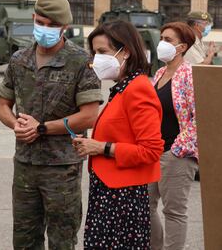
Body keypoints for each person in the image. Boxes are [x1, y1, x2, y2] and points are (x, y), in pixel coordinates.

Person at [0, 0, 103, 249]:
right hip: (25, 165)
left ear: (65, 27)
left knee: (61, 240)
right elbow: (2, 106)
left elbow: (89, 116)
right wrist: (16, 125)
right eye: (41, 22)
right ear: (33, 18)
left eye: (53, 25)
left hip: (61, 168)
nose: (45, 29)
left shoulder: (80, 62)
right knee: (24, 239)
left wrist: (42, 129)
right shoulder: (19, 59)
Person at [73, 20, 164, 249]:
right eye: (94, 53)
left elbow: (151, 150)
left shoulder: (138, 89)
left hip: (122, 199)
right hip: (109, 193)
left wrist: (101, 148)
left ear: (126, 52)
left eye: (103, 52)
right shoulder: (123, 88)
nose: (96, 60)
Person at [149, 22, 198, 250]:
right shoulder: (160, 73)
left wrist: (179, 148)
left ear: (182, 47)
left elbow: (199, 116)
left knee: (174, 212)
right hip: (153, 151)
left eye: (168, 40)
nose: (162, 43)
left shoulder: (190, 75)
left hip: (176, 154)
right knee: (145, 206)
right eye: (161, 38)